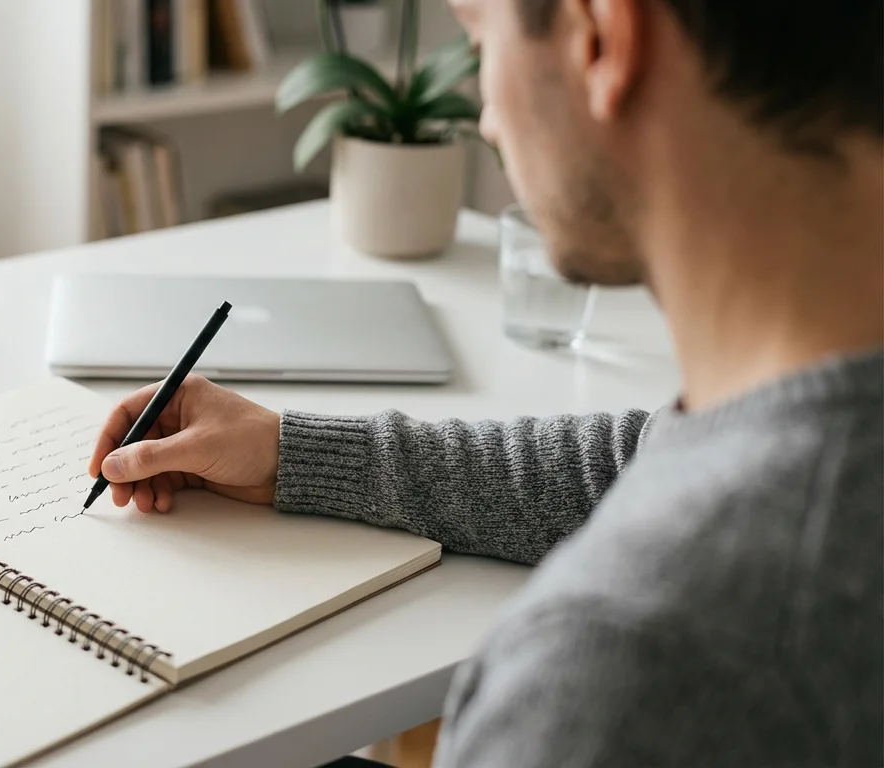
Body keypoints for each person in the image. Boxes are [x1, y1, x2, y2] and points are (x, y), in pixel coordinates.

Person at [87, 0, 883, 765]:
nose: (488, 120)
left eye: (478, 38)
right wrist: (295, 453)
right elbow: (649, 459)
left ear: (599, 35)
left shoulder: (624, 677)